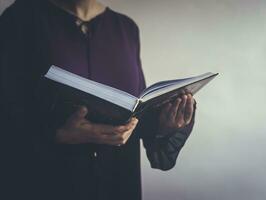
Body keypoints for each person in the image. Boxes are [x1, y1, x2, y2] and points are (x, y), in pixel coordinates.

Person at [0, 0, 197, 200]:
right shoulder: (20, 19)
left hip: (117, 182)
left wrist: (165, 124)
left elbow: (136, 111)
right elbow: (6, 113)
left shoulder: (126, 28)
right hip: (47, 183)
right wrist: (57, 135)